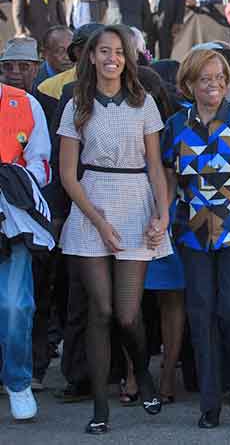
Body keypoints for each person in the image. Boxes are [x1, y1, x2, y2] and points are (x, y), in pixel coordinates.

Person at [57, 25, 171, 434]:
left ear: (128, 57)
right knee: (100, 311)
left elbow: (157, 167)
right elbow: (68, 176)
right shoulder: (77, 104)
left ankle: (144, 375)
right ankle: (101, 407)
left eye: (119, 52)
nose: (111, 58)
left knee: (127, 315)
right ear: (90, 56)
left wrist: (162, 215)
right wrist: (99, 221)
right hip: (92, 206)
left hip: (136, 202)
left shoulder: (143, 102)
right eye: (103, 51)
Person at [160, 48, 230, 428]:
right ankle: (210, 402)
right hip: (191, 234)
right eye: (205, 79)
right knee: (200, 314)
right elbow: (169, 180)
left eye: (220, 79)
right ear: (189, 83)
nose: (214, 85)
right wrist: (161, 216)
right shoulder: (175, 125)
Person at [0, 41, 53, 421]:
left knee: (15, 305)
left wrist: (12, 183)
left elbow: (41, 162)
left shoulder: (25, 103)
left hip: (13, 218)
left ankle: (17, 381)